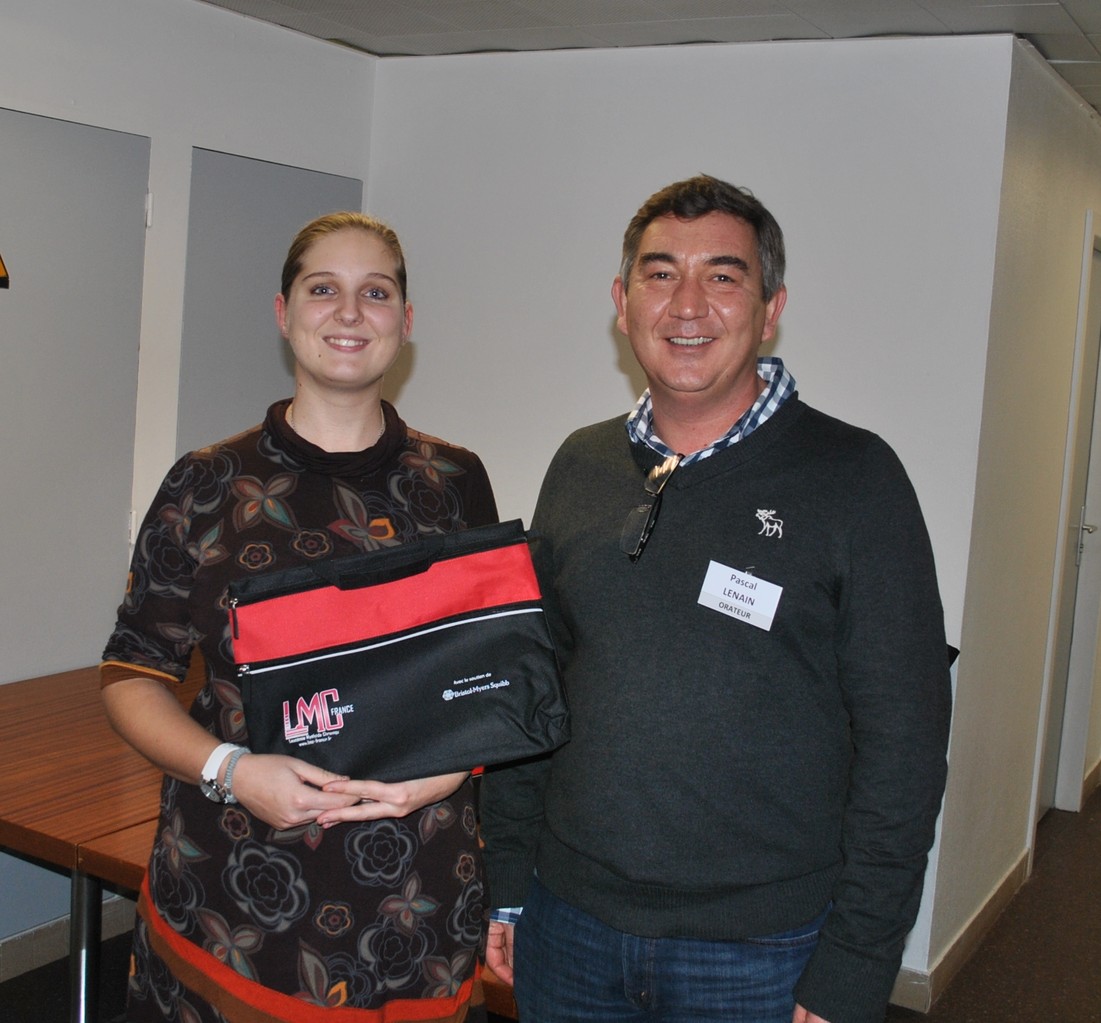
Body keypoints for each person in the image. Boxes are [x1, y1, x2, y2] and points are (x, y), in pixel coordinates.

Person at [479, 175, 952, 1023]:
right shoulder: (579, 466)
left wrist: (855, 963)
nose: (687, 304)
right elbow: (530, 693)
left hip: (764, 952)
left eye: (723, 276)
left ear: (769, 307)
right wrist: (508, 878)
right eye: (660, 275)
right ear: (622, 303)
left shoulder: (855, 479)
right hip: (569, 926)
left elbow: (905, 746)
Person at [101, 212, 497, 1023]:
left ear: (405, 322)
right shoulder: (207, 483)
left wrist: (453, 769)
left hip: (413, 904)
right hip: (234, 902)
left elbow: (489, 677)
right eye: (324, 289)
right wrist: (231, 770)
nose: (349, 313)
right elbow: (132, 674)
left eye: (375, 292)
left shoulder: (455, 482)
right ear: (284, 313)